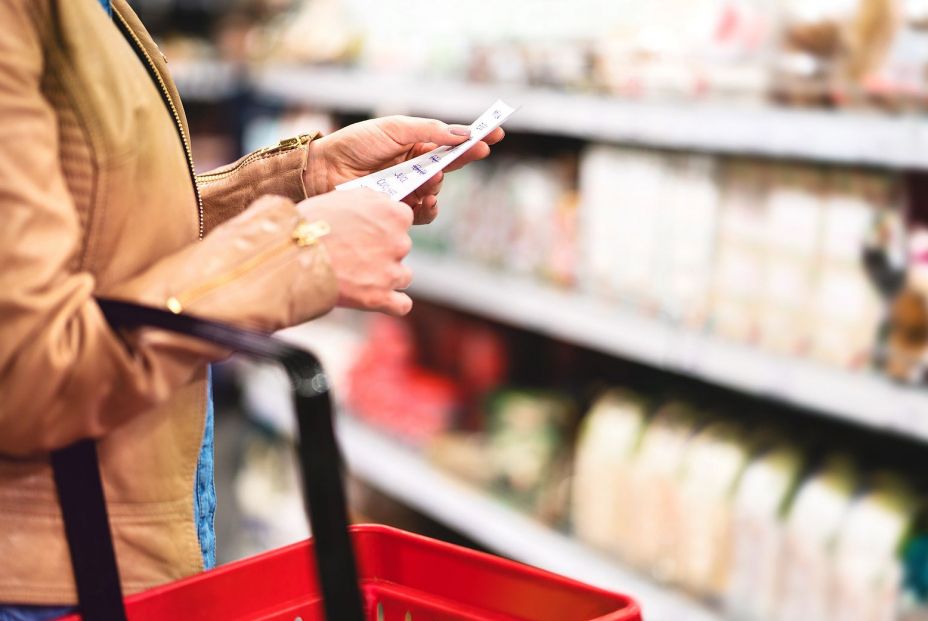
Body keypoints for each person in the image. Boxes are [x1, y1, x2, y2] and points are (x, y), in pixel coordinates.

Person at [0, 1, 504, 618]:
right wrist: (296, 251)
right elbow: (24, 368)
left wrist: (301, 178)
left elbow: (102, 234)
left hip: (120, 533)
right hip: (53, 573)